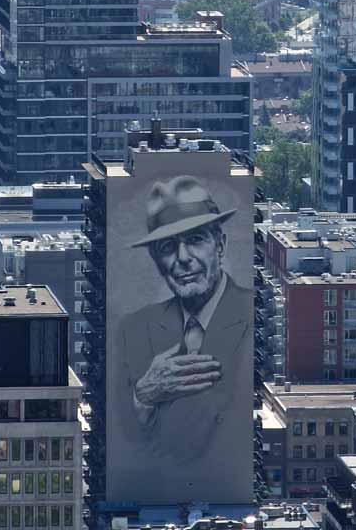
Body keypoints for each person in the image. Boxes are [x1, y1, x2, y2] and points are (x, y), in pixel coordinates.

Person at [116, 174, 253, 497]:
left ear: (220, 245)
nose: (183, 258)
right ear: (156, 261)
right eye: (167, 247)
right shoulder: (133, 328)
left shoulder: (251, 313)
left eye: (195, 240)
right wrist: (144, 396)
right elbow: (124, 432)